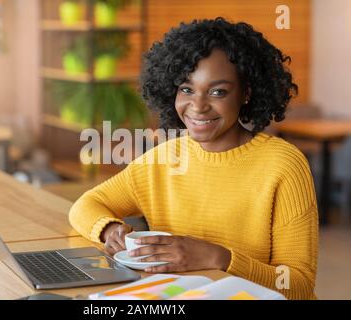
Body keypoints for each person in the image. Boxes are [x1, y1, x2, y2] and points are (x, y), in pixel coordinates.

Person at [69, 17, 318, 300]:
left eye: (217, 91)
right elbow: (85, 205)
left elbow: (298, 286)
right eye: (186, 89)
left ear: (246, 93)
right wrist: (109, 229)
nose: (197, 106)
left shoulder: (283, 164)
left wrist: (220, 258)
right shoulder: (162, 159)